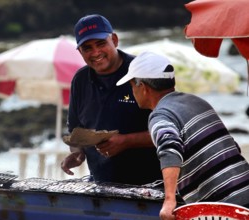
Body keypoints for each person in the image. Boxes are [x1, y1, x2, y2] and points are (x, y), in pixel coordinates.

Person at [116, 51, 249, 219]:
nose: (132, 91)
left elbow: (169, 150)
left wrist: (169, 200)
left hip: (224, 206)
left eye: (132, 85)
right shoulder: (197, 101)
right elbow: (231, 145)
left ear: (142, 87)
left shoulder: (160, 115)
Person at [60, 14, 162, 185]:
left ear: (114, 40)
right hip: (102, 186)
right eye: (87, 48)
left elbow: (171, 131)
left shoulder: (142, 71)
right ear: (80, 51)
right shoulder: (80, 80)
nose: (95, 52)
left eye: (101, 44)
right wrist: (78, 151)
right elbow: (76, 130)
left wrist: (126, 142)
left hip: (151, 186)